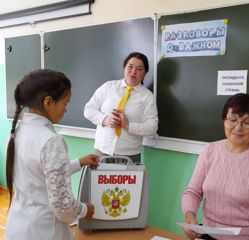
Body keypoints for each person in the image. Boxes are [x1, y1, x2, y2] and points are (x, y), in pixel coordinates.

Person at [5, 69, 99, 240]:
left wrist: (79, 162)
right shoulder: (51, 141)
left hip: (18, 226)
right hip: (45, 231)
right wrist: (85, 210)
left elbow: (41, 174)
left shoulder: (16, 132)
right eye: (65, 103)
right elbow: (63, 207)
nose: (66, 110)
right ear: (48, 102)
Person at [181, 93, 249, 240]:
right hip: (207, 234)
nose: (238, 127)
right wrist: (189, 214)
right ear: (224, 120)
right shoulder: (210, 151)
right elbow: (193, 192)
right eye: (232, 120)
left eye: (247, 122)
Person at [84, 52, 158, 163]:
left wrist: (128, 126)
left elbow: (152, 127)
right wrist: (105, 120)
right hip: (102, 150)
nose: (133, 72)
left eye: (139, 69)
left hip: (129, 155)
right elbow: (88, 109)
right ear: (124, 67)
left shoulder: (147, 97)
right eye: (130, 66)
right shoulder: (108, 86)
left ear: (145, 73)